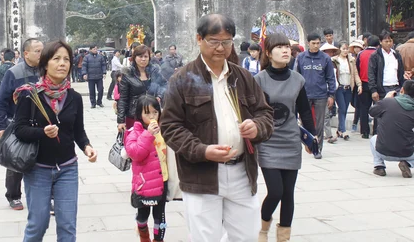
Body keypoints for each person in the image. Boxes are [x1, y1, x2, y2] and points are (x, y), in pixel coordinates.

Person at [160, 14, 274, 242]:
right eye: (214, 41)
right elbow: (170, 126)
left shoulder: (242, 77)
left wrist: (257, 126)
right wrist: (202, 150)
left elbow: (265, 113)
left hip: (242, 172)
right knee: (205, 238)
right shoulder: (182, 79)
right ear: (199, 39)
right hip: (202, 176)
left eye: (227, 41)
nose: (221, 48)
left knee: (247, 237)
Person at [14, 40, 97, 241]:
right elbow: (19, 130)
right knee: (38, 224)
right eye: (56, 59)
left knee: (67, 226)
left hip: (67, 168)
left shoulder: (74, 97)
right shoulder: (30, 95)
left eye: (66, 59)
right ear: (45, 64)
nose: (62, 64)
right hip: (37, 169)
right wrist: (43, 132)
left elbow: (78, 131)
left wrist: (87, 147)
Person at [254, 33, 316, 242]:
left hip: (291, 141)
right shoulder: (259, 80)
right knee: (276, 191)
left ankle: (283, 238)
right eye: (279, 47)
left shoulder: (297, 79)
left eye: (287, 47)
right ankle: (263, 229)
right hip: (268, 142)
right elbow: (253, 112)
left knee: (288, 193)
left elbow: (305, 111)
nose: (285, 50)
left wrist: (311, 138)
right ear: (269, 53)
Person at [0, 39, 43, 210]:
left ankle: (46, 196)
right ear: (26, 53)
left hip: (43, 124)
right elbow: (0, 101)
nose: (41, 54)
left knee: (45, 161)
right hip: (20, 124)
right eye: (37, 51)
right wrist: (0, 127)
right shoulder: (13, 73)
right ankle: (13, 195)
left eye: (42, 50)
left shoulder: (46, 70)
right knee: (17, 159)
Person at [125, 95, 168, 242]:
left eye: (155, 112)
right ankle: (144, 237)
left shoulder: (164, 129)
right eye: (147, 113)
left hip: (162, 180)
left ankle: (158, 239)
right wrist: (148, 134)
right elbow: (136, 153)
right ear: (139, 115)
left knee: (160, 215)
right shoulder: (134, 132)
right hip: (144, 183)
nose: (152, 116)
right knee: (143, 215)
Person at [295, 33, 337, 159]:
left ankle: (317, 148)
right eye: (313, 43)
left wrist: (331, 95)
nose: (316, 45)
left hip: (321, 95)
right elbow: (296, 77)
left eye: (318, 43)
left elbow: (331, 78)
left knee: (319, 123)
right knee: (304, 122)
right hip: (304, 95)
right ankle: (307, 143)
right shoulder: (301, 58)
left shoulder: (325, 58)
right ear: (308, 43)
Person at [369, 80, 414, 177]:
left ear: (401, 90)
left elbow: (372, 112)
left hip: (383, 151)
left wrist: (385, 99)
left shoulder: (388, 102)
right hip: (408, 153)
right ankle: (407, 164)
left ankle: (379, 166)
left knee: (373, 139)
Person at [117, 45, 166, 131]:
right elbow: (123, 99)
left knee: (154, 141)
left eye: (146, 56)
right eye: (140, 56)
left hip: (152, 115)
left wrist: (159, 95)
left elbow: (165, 84)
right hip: (134, 116)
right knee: (137, 141)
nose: (143, 59)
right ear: (134, 57)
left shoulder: (154, 71)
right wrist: (121, 121)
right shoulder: (128, 74)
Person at [331, 42, 362, 140]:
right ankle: (343, 131)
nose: (345, 51)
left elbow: (355, 74)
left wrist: (359, 85)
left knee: (344, 109)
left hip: (349, 88)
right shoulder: (334, 60)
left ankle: (340, 130)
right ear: (340, 49)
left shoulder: (351, 60)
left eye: (347, 49)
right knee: (342, 108)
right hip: (339, 88)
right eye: (343, 49)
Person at [369, 30, 405, 103]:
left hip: (396, 87)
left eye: (390, 41)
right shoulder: (375, 56)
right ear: (380, 42)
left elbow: (401, 71)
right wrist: (374, 90)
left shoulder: (396, 54)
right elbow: (371, 73)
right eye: (386, 41)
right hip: (382, 88)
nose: (389, 43)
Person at [356, 35, 379, 138]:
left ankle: (365, 131)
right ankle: (376, 131)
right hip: (376, 84)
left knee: (364, 108)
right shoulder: (379, 54)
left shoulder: (361, 54)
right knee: (378, 108)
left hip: (364, 83)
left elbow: (357, 69)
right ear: (378, 44)